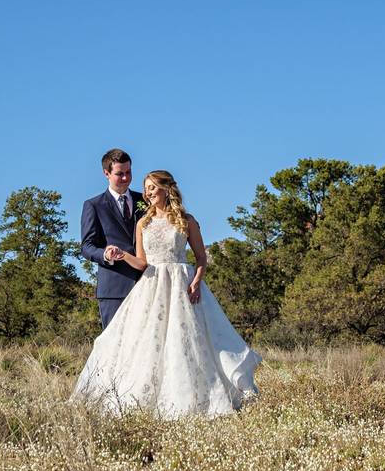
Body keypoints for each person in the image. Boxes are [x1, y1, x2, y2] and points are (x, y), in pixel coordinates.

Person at [72, 170, 261, 419]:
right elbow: (141, 263)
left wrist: (196, 281)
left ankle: (203, 397)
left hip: (183, 284)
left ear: (166, 189)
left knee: (189, 340)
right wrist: (121, 255)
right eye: (146, 187)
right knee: (147, 343)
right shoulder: (143, 223)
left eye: (152, 187)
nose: (147, 192)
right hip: (152, 285)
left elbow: (201, 258)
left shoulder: (186, 220)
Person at [80, 148, 145, 329]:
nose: (125, 178)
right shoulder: (94, 205)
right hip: (114, 290)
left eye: (128, 172)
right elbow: (86, 246)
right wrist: (106, 255)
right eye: (119, 174)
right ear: (106, 173)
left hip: (148, 284)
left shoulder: (146, 201)